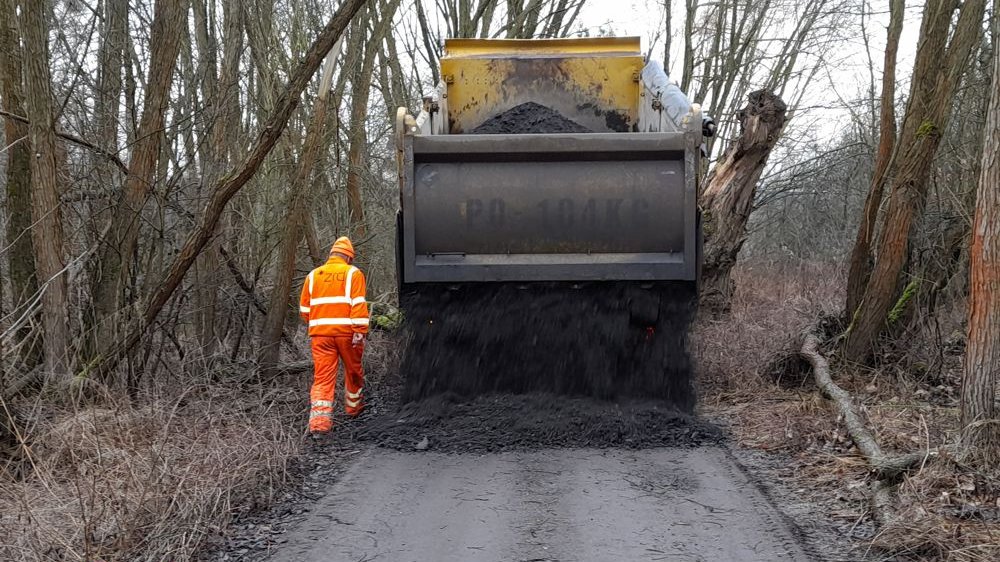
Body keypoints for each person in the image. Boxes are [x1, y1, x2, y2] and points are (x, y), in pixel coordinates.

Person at [299, 236, 369, 435]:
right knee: (353, 371)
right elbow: (358, 305)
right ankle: (354, 409)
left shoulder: (313, 275)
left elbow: (304, 310)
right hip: (348, 335)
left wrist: (321, 323)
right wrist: (360, 331)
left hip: (321, 336)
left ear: (331, 255)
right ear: (349, 257)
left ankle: (319, 425)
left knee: (322, 378)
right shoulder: (353, 273)